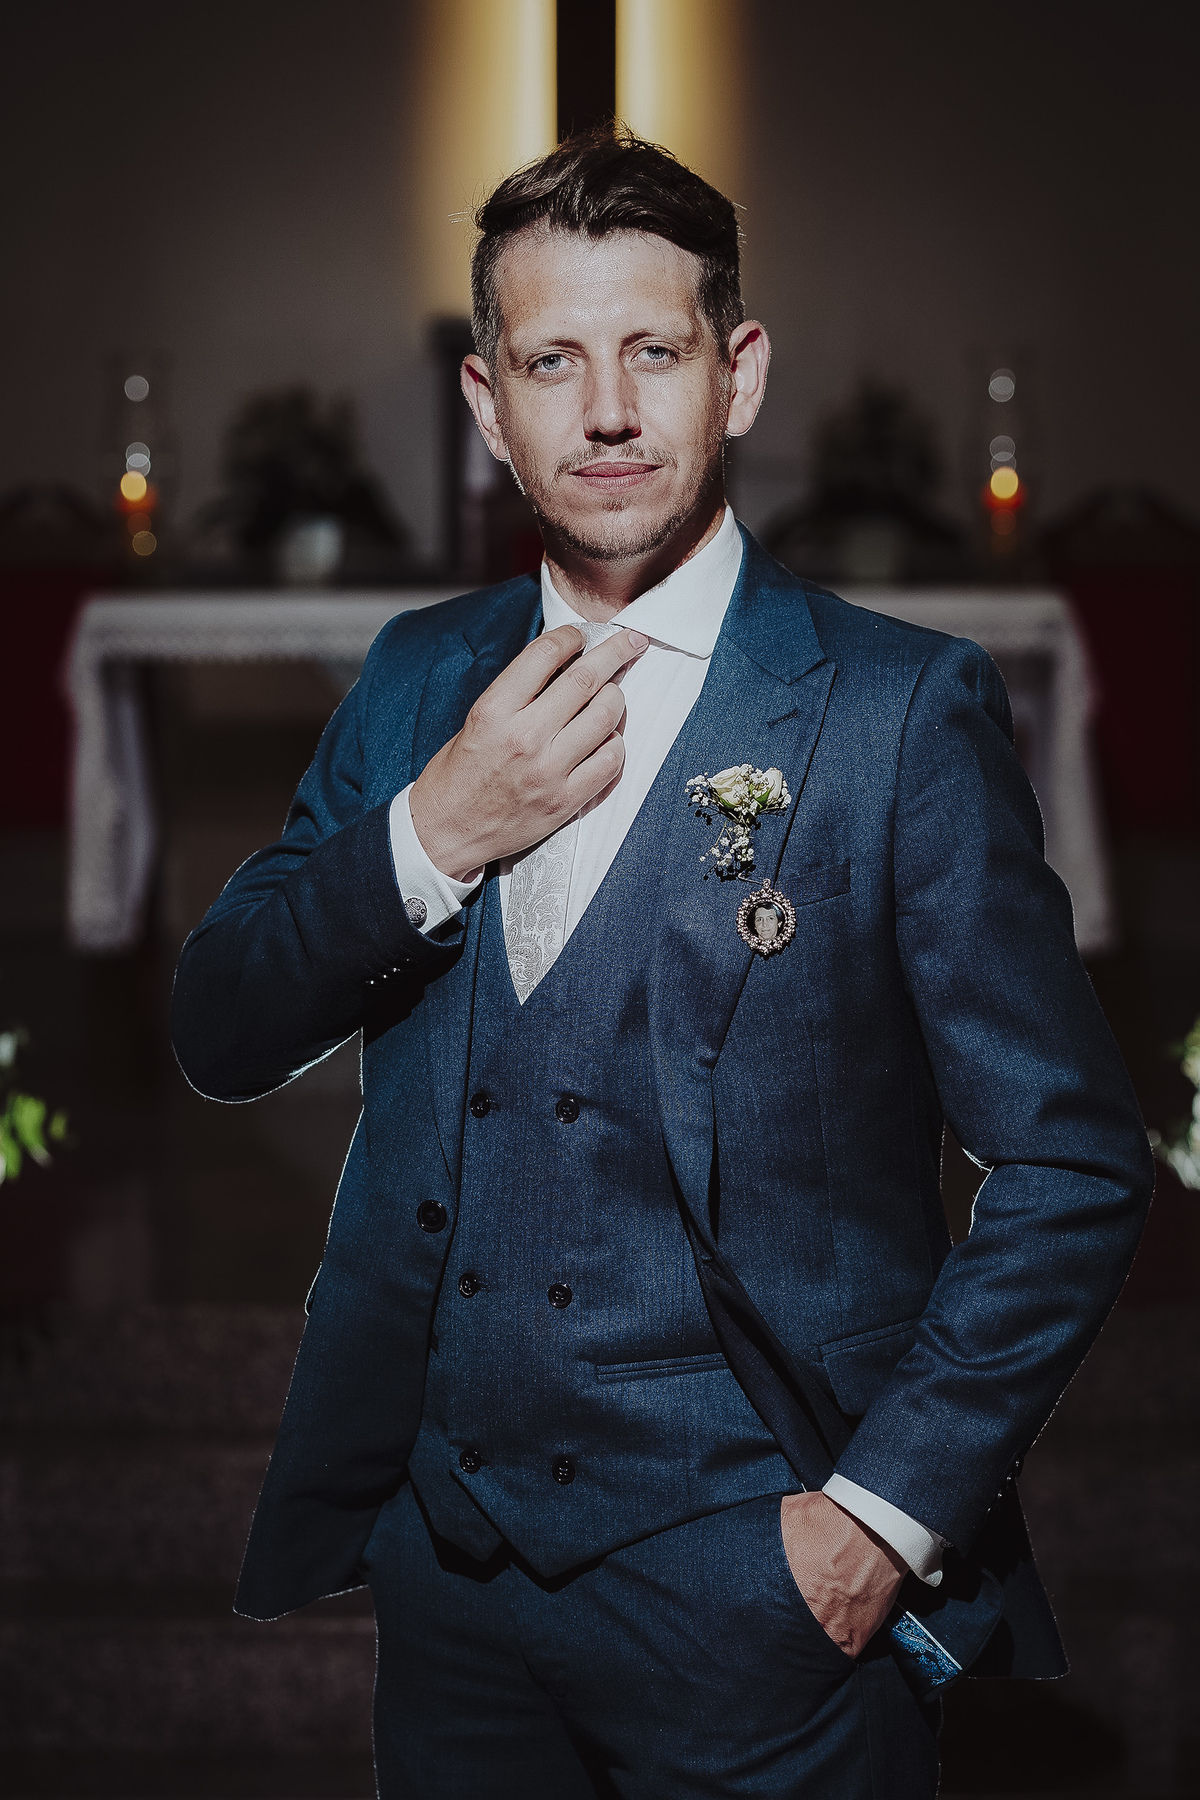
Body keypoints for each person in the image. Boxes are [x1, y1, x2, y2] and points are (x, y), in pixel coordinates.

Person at [171, 130, 1153, 1798]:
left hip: (764, 1597)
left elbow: (1074, 1163)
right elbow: (221, 1026)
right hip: (451, 1582)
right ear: (489, 405)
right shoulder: (415, 680)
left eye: (655, 352)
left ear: (737, 374)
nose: (609, 411)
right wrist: (431, 833)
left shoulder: (896, 714)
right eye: (553, 361)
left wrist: (874, 1526)